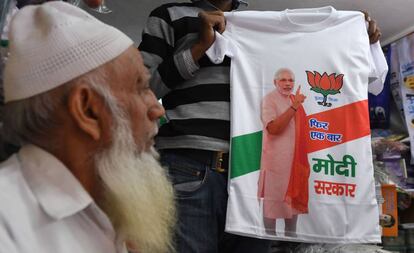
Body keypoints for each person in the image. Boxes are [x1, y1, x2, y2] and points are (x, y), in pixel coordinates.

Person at [139, 0, 381, 252]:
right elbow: (137, 89)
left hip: (253, 169)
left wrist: (354, 33)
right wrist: (199, 49)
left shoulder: (262, 26)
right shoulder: (169, 16)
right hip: (191, 166)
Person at [0, 2, 175, 253]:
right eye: (140, 87)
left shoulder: (116, 208)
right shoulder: (8, 222)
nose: (157, 109)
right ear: (87, 110)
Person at [258, 68, 306, 237]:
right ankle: (269, 240)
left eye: (291, 80)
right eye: (283, 80)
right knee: (272, 205)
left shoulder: (294, 100)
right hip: (275, 165)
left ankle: (290, 240)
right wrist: (294, 107)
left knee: (292, 207)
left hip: (294, 164)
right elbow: (274, 129)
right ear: (275, 82)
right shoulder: (269, 100)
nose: (287, 84)